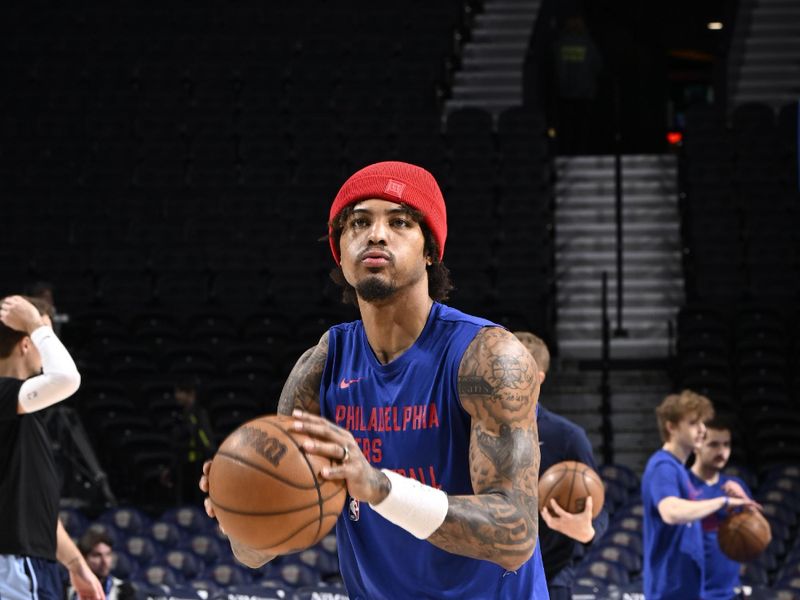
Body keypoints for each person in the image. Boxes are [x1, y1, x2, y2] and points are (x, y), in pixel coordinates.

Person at [201, 161, 550, 599]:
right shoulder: (320, 366)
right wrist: (240, 504)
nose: (376, 234)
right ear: (340, 250)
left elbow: (515, 535)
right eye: (359, 222)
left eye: (399, 221)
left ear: (430, 250)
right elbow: (255, 552)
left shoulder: (487, 357)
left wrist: (382, 489)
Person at [0, 295, 104, 600]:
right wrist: (35, 322)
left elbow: (32, 508)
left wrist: (76, 564)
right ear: (26, 343)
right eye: (43, 336)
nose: (50, 344)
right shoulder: (3, 394)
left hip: (22, 561)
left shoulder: (18, 412)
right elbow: (66, 378)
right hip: (9, 565)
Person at [514, 331, 608, 600]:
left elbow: (600, 508)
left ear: (538, 378)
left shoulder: (567, 436)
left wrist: (588, 530)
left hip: (550, 574)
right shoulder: (474, 429)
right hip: (490, 572)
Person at [641, 391, 758, 600]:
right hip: (669, 592)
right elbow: (671, 512)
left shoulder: (676, 468)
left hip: (688, 590)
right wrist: (722, 501)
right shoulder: (663, 466)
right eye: (694, 423)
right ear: (672, 427)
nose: (702, 429)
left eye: (702, 423)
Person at [688, 417, 754, 600]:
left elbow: (761, 539)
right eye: (714, 445)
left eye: (726, 445)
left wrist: (746, 501)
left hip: (729, 593)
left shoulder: (735, 486)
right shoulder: (679, 484)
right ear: (696, 445)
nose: (722, 452)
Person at [171, 380, 215, 505]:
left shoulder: (198, 414)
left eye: (179, 392)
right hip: (183, 464)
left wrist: (209, 455)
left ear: (190, 394)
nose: (176, 396)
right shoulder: (181, 414)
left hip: (197, 465)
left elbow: (206, 440)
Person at [70, 532, 134, 600]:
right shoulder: (68, 589)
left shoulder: (123, 590)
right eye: (97, 555)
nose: (104, 561)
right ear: (83, 558)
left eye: (108, 554)